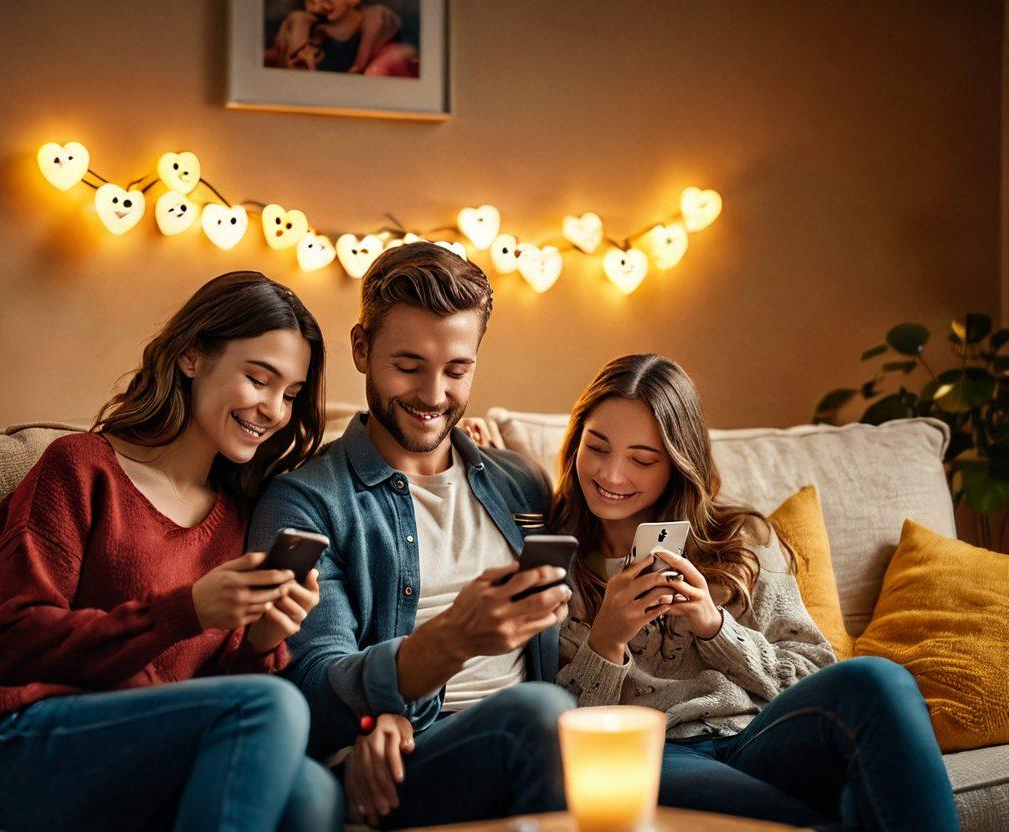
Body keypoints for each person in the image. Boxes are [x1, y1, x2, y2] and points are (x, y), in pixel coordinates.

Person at [0, 272, 344, 832]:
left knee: (314, 794)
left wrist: (264, 641)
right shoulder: (79, 467)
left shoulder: (238, 516)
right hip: (13, 738)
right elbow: (13, 643)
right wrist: (186, 609)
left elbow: (213, 698)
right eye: (258, 379)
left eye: (291, 395)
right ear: (192, 357)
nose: (274, 410)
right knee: (271, 710)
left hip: (142, 753)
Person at [551, 353, 960, 831]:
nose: (612, 475)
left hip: (761, 735)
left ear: (677, 465)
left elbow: (811, 673)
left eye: (642, 459)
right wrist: (607, 642)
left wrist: (715, 626)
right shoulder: (559, 563)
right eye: (597, 448)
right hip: (661, 752)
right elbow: (565, 737)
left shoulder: (740, 542)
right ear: (576, 441)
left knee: (879, 681)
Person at [248, 243, 575, 829]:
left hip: (539, 743)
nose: (432, 396)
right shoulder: (306, 500)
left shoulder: (521, 483)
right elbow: (310, 685)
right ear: (360, 349)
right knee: (542, 712)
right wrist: (439, 651)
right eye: (408, 366)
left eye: (456, 370)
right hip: (410, 763)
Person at [265, 0, 419, 76]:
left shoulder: (379, 24)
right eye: (312, 1)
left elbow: (405, 53)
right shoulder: (312, 30)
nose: (319, 6)